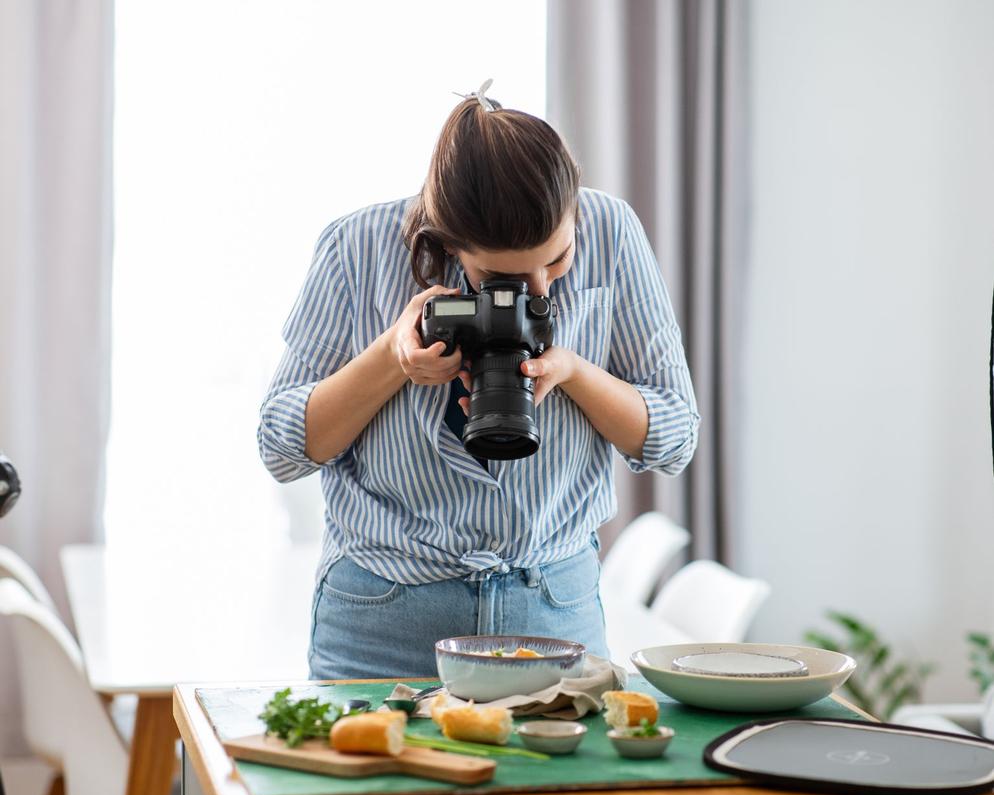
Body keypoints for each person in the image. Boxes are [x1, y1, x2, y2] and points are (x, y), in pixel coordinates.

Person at [258, 82, 700, 680]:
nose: (540, 288)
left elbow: (675, 437)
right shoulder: (356, 248)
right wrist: (392, 358)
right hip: (383, 618)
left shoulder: (613, 230)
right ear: (445, 241)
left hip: (553, 614)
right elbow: (282, 449)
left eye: (559, 260)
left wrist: (571, 371)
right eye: (502, 276)